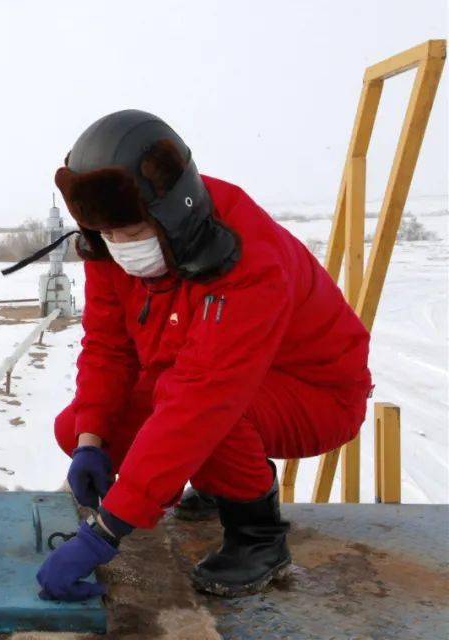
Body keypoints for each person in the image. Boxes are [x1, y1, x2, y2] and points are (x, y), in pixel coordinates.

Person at [34, 110, 372, 600]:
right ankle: (218, 481)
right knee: (85, 427)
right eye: (108, 236)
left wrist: (105, 535)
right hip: (210, 378)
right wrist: (89, 441)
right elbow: (107, 348)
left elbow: (203, 400)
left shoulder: (248, 260)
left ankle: (258, 538)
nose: (120, 249)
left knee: (208, 419)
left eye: (131, 235)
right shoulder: (109, 239)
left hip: (316, 394)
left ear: (172, 214)